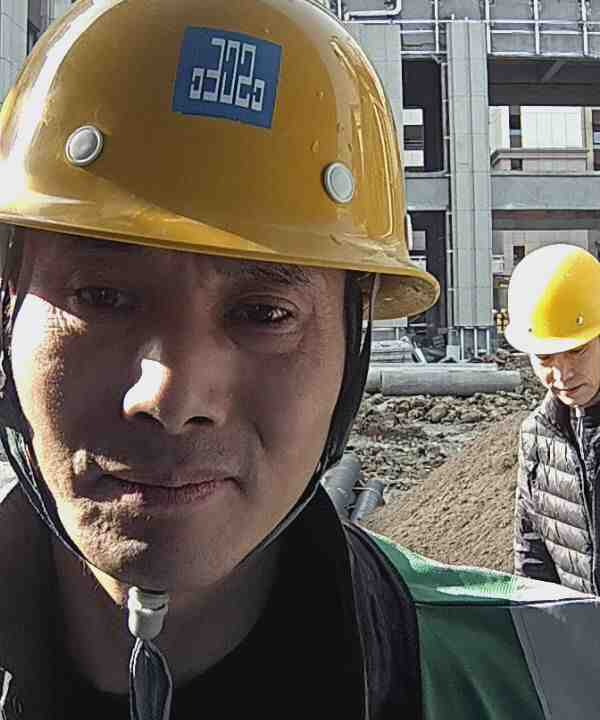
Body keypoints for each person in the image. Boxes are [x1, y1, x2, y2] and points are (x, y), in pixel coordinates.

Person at [0, 2, 599, 718]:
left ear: (353, 345)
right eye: (101, 296)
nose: (172, 395)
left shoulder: (554, 679)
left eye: (264, 314)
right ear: (8, 312)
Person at [506, 244, 600, 594]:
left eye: (577, 350)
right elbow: (531, 554)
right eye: (545, 357)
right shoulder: (537, 436)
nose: (562, 375)